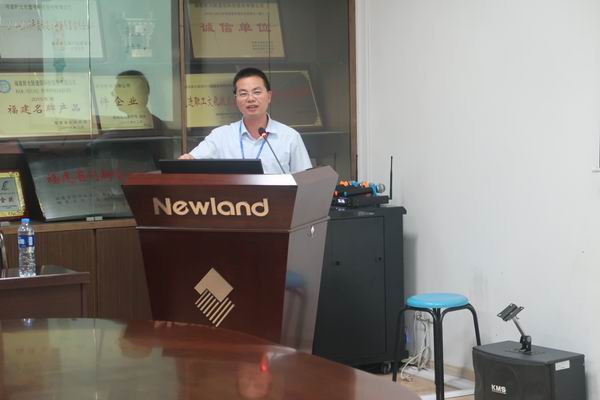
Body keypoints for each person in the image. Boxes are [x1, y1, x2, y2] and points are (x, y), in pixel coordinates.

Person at [180, 67, 312, 174]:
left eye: (257, 92)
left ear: (269, 96)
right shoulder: (220, 136)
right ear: (236, 100)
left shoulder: (290, 137)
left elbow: (305, 181)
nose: (250, 99)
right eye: (243, 94)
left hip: (277, 199)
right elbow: (191, 161)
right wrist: (187, 160)